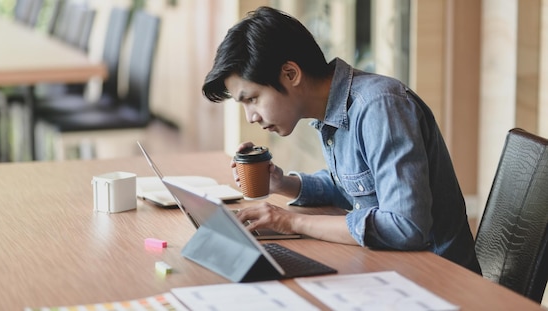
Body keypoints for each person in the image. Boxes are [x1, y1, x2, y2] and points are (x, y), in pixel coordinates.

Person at [201, 6, 481, 274]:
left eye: (251, 99)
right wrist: (283, 184)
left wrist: (292, 221)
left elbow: (405, 226)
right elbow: (356, 190)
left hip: (436, 279)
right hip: (387, 267)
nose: (251, 116)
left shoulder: (379, 107)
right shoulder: (332, 112)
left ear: (290, 74)